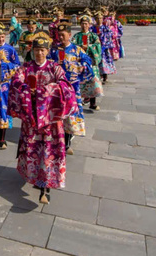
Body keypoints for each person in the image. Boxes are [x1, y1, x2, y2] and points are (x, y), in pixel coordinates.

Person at [9, 37, 78, 204]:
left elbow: (65, 86)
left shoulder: (55, 68)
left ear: (48, 51)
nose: (39, 53)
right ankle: (33, 177)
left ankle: (45, 189)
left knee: (48, 152)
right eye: (36, 50)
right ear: (32, 51)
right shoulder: (25, 68)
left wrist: (43, 92)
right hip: (31, 119)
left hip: (50, 122)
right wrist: (26, 90)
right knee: (33, 149)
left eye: (42, 50)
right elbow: (15, 83)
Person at [49, 21, 94, 155]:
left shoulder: (77, 49)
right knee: (57, 114)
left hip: (72, 88)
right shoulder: (54, 50)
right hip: (56, 88)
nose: (61, 38)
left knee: (70, 115)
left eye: (63, 35)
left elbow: (87, 62)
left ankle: (67, 143)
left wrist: (79, 67)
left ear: (69, 35)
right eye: (59, 35)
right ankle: (57, 140)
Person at [73, 15, 104, 111]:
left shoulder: (93, 36)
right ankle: (79, 102)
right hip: (80, 63)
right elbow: (73, 46)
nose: (84, 25)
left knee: (92, 82)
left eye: (86, 24)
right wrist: (80, 48)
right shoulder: (76, 36)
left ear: (89, 24)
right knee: (79, 83)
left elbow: (98, 46)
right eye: (82, 23)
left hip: (91, 63)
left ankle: (92, 103)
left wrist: (89, 47)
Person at [94, 8, 116, 83]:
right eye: (97, 18)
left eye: (100, 18)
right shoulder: (92, 28)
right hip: (95, 48)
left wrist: (105, 44)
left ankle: (105, 76)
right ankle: (98, 75)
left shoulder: (105, 28)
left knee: (104, 62)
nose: (99, 20)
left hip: (103, 48)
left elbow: (109, 36)